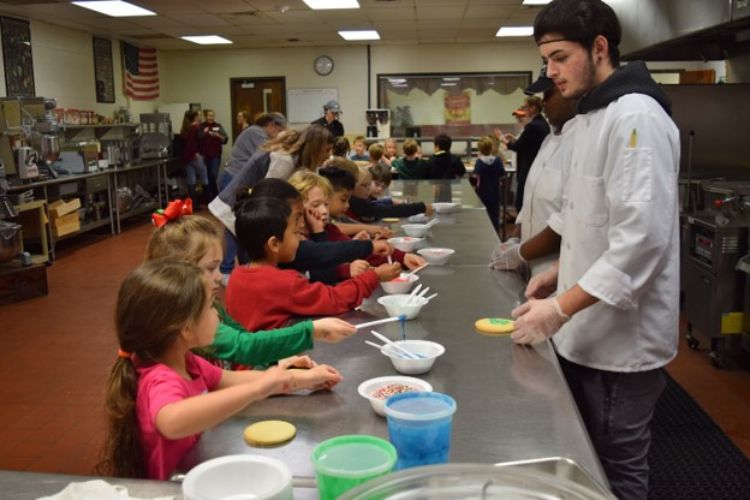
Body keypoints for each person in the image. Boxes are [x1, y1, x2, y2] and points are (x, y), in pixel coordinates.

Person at [511, 1, 680, 498]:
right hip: (585, 329)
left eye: (560, 57)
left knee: (615, 466)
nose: (551, 73)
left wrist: (560, 307)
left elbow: (640, 243)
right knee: (585, 457)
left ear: (600, 48)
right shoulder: (591, 116)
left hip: (618, 343)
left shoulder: (636, 117)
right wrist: (562, 269)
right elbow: (592, 222)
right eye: (547, 60)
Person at [98, 260, 342, 479]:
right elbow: (171, 421)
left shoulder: (188, 361)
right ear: (184, 328)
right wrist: (259, 388)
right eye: (209, 307)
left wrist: (302, 378)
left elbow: (233, 379)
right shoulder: (160, 378)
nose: (217, 314)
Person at [144, 205, 357, 368]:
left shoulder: (213, 309)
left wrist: (275, 367)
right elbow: (243, 346)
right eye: (210, 268)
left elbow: (243, 349)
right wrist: (310, 331)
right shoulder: (186, 324)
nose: (219, 277)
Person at [225, 194, 400, 331]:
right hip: (268, 366)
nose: (300, 240)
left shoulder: (238, 275)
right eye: (295, 233)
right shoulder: (283, 282)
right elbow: (334, 300)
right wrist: (374, 276)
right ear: (274, 244)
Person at [489, 63, 579, 277]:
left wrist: (519, 253)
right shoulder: (550, 139)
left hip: (557, 270)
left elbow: (567, 219)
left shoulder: (582, 143)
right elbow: (531, 199)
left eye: (548, 94)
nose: (543, 103)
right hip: (533, 263)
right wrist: (516, 237)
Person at [496, 95, 550, 214]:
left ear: (533, 108)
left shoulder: (532, 126)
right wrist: (515, 139)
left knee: (521, 203)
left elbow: (517, 147)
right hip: (535, 165)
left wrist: (502, 139)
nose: (524, 111)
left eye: (525, 107)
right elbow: (528, 144)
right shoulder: (542, 124)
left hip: (529, 167)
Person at [223, 112, 287, 190]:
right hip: (234, 178)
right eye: (279, 131)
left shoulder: (256, 131)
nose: (279, 135)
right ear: (272, 125)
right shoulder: (257, 132)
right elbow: (269, 154)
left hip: (237, 178)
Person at [266, 124, 333, 180]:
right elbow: (269, 192)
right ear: (315, 149)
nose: (329, 156)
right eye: (327, 150)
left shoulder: (309, 163)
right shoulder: (285, 161)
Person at [472, 136, 506, 232]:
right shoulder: (498, 161)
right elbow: (502, 175)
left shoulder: (479, 162)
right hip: (495, 192)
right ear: (492, 148)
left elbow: (475, 176)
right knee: (495, 216)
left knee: (482, 215)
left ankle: (483, 233)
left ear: (479, 149)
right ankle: (496, 234)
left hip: (482, 192)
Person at [179, 110, 209, 204]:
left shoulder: (185, 128)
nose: (200, 117)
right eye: (199, 115)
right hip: (197, 156)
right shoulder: (197, 127)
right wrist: (205, 132)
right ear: (195, 117)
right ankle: (206, 202)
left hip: (187, 158)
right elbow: (200, 139)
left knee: (191, 181)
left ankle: (193, 204)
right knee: (204, 179)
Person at [198, 109, 228, 200]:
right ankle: (208, 196)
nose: (211, 117)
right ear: (205, 116)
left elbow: (225, 139)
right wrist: (205, 132)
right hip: (203, 155)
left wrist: (218, 136)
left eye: (212, 116)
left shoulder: (218, 126)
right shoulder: (201, 126)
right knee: (205, 176)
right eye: (209, 115)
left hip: (215, 154)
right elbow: (199, 138)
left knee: (213, 174)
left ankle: (214, 195)